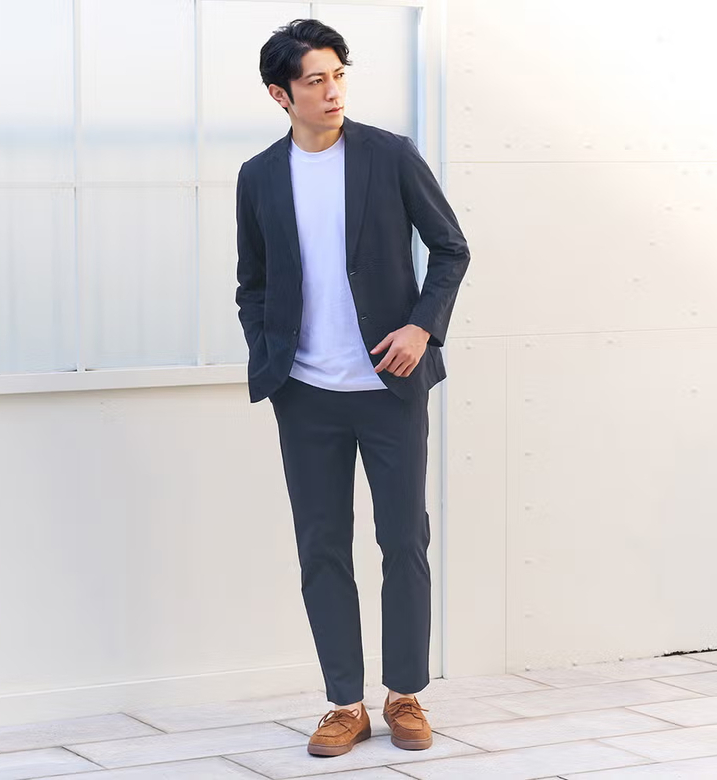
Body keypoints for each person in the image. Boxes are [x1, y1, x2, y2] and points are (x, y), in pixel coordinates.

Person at [234, 18, 470, 756]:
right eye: (315, 80)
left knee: (403, 539)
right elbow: (252, 284)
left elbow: (451, 249)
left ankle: (404, 696)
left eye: (339, 75)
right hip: (305, 393)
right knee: (322, 548)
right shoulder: (259, 176)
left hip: (389, 386)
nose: (333, 91)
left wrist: (422, 328)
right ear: (281, 94)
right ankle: (344, 703)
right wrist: (270, 356)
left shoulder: (388, 155)